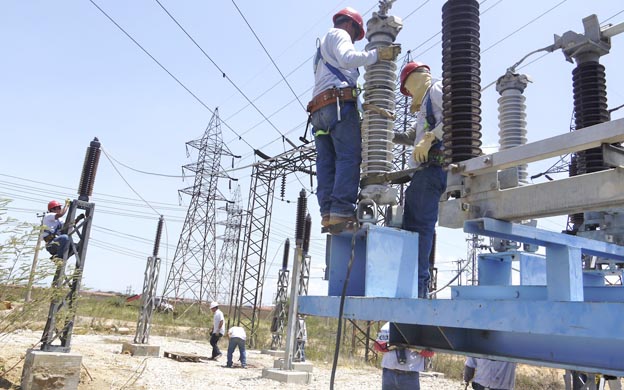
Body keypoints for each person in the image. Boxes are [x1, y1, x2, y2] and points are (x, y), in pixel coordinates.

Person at [309, 7, 401, 228]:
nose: (354, 39)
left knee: (326, 164)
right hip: (338, 107)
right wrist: (378, 54)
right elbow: (349, 58)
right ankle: (341, 211)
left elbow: (336, 76)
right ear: (351, 25)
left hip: (319, 111)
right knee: (348, 158)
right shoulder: (339, 34)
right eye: (356, 35)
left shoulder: (320, 52)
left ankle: (328, 213)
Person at [393, 61, 447, 298]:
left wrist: (431, 137)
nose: (409, 94)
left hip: (434, 166)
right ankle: (416, 284)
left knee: (417, 227)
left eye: (407, 88)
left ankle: (417, 288)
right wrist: (385, 133)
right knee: (415, 224)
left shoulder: (435, 89)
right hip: (427, 170)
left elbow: (458, 115)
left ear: (414, 78)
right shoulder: (425, 105)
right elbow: (412, 137)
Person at [374, 322, 433, 390]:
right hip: (389, 374)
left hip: (409, 375)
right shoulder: (388, 326)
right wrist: (394, 346)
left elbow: (429, 353)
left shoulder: (424, 328)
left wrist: (415, 348)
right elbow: (378, 346)